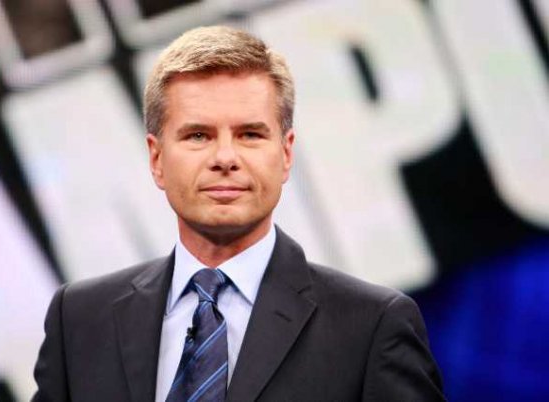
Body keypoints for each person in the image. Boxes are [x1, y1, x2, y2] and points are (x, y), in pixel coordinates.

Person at [32, 26, 445, 402]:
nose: (225, 158)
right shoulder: (80, 319)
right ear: (157, 159)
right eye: (198, 135)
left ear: (286, 154)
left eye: (249, 134)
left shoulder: (371, 327)